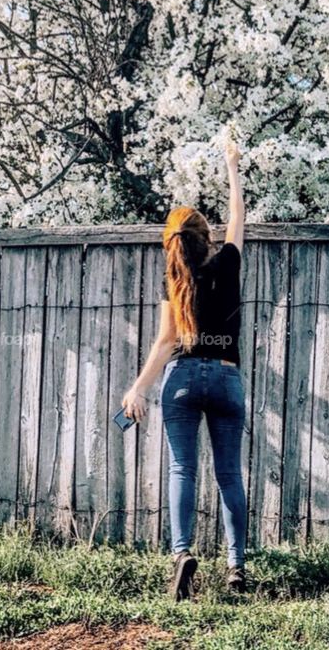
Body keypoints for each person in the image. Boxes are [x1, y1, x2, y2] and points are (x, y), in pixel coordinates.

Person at [121, 136, 247, 601]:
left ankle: (182, 554)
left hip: (182, 379)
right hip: (226, 374)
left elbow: (164, 343)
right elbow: (238, 219)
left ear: (171, 244)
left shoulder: (174, 282)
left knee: (183, 470)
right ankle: (236, 568)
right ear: (206, 237)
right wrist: (232, 167)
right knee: (229, 475)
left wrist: (137, 390)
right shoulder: (229, 264)